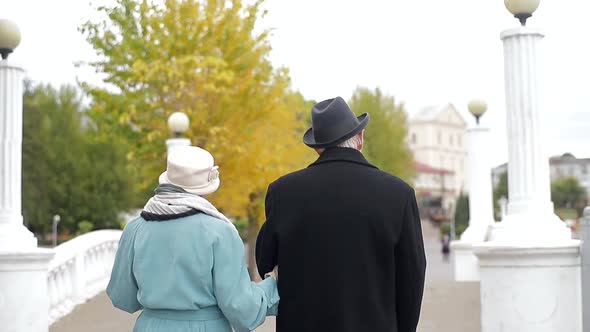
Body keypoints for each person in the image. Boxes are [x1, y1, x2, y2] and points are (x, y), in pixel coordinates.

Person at [256, 97, 427, 332]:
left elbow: (265, 261)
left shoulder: (282, 193)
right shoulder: (399, 195)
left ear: (317, 147)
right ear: (361, 138)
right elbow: (412, 279)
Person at [107, 146, 278, 332]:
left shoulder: (136, 227)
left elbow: (122, 297)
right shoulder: (219, 231)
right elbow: (242, 309)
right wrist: (272, 284)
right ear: (206, 187)